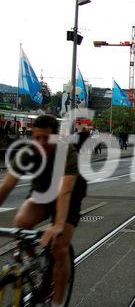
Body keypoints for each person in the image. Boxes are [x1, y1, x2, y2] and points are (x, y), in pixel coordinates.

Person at [0, 115, 87, 307]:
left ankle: (57, 302)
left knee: (60, 247)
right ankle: (35, 266)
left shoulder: (67, 152)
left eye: (45, 138)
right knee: (21, 224)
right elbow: (6, 186)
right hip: (41, 193)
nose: (40, 143)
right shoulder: (28, 153)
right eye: (36, 137)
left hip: (69, 195)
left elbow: (65, 192)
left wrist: (57, 226)